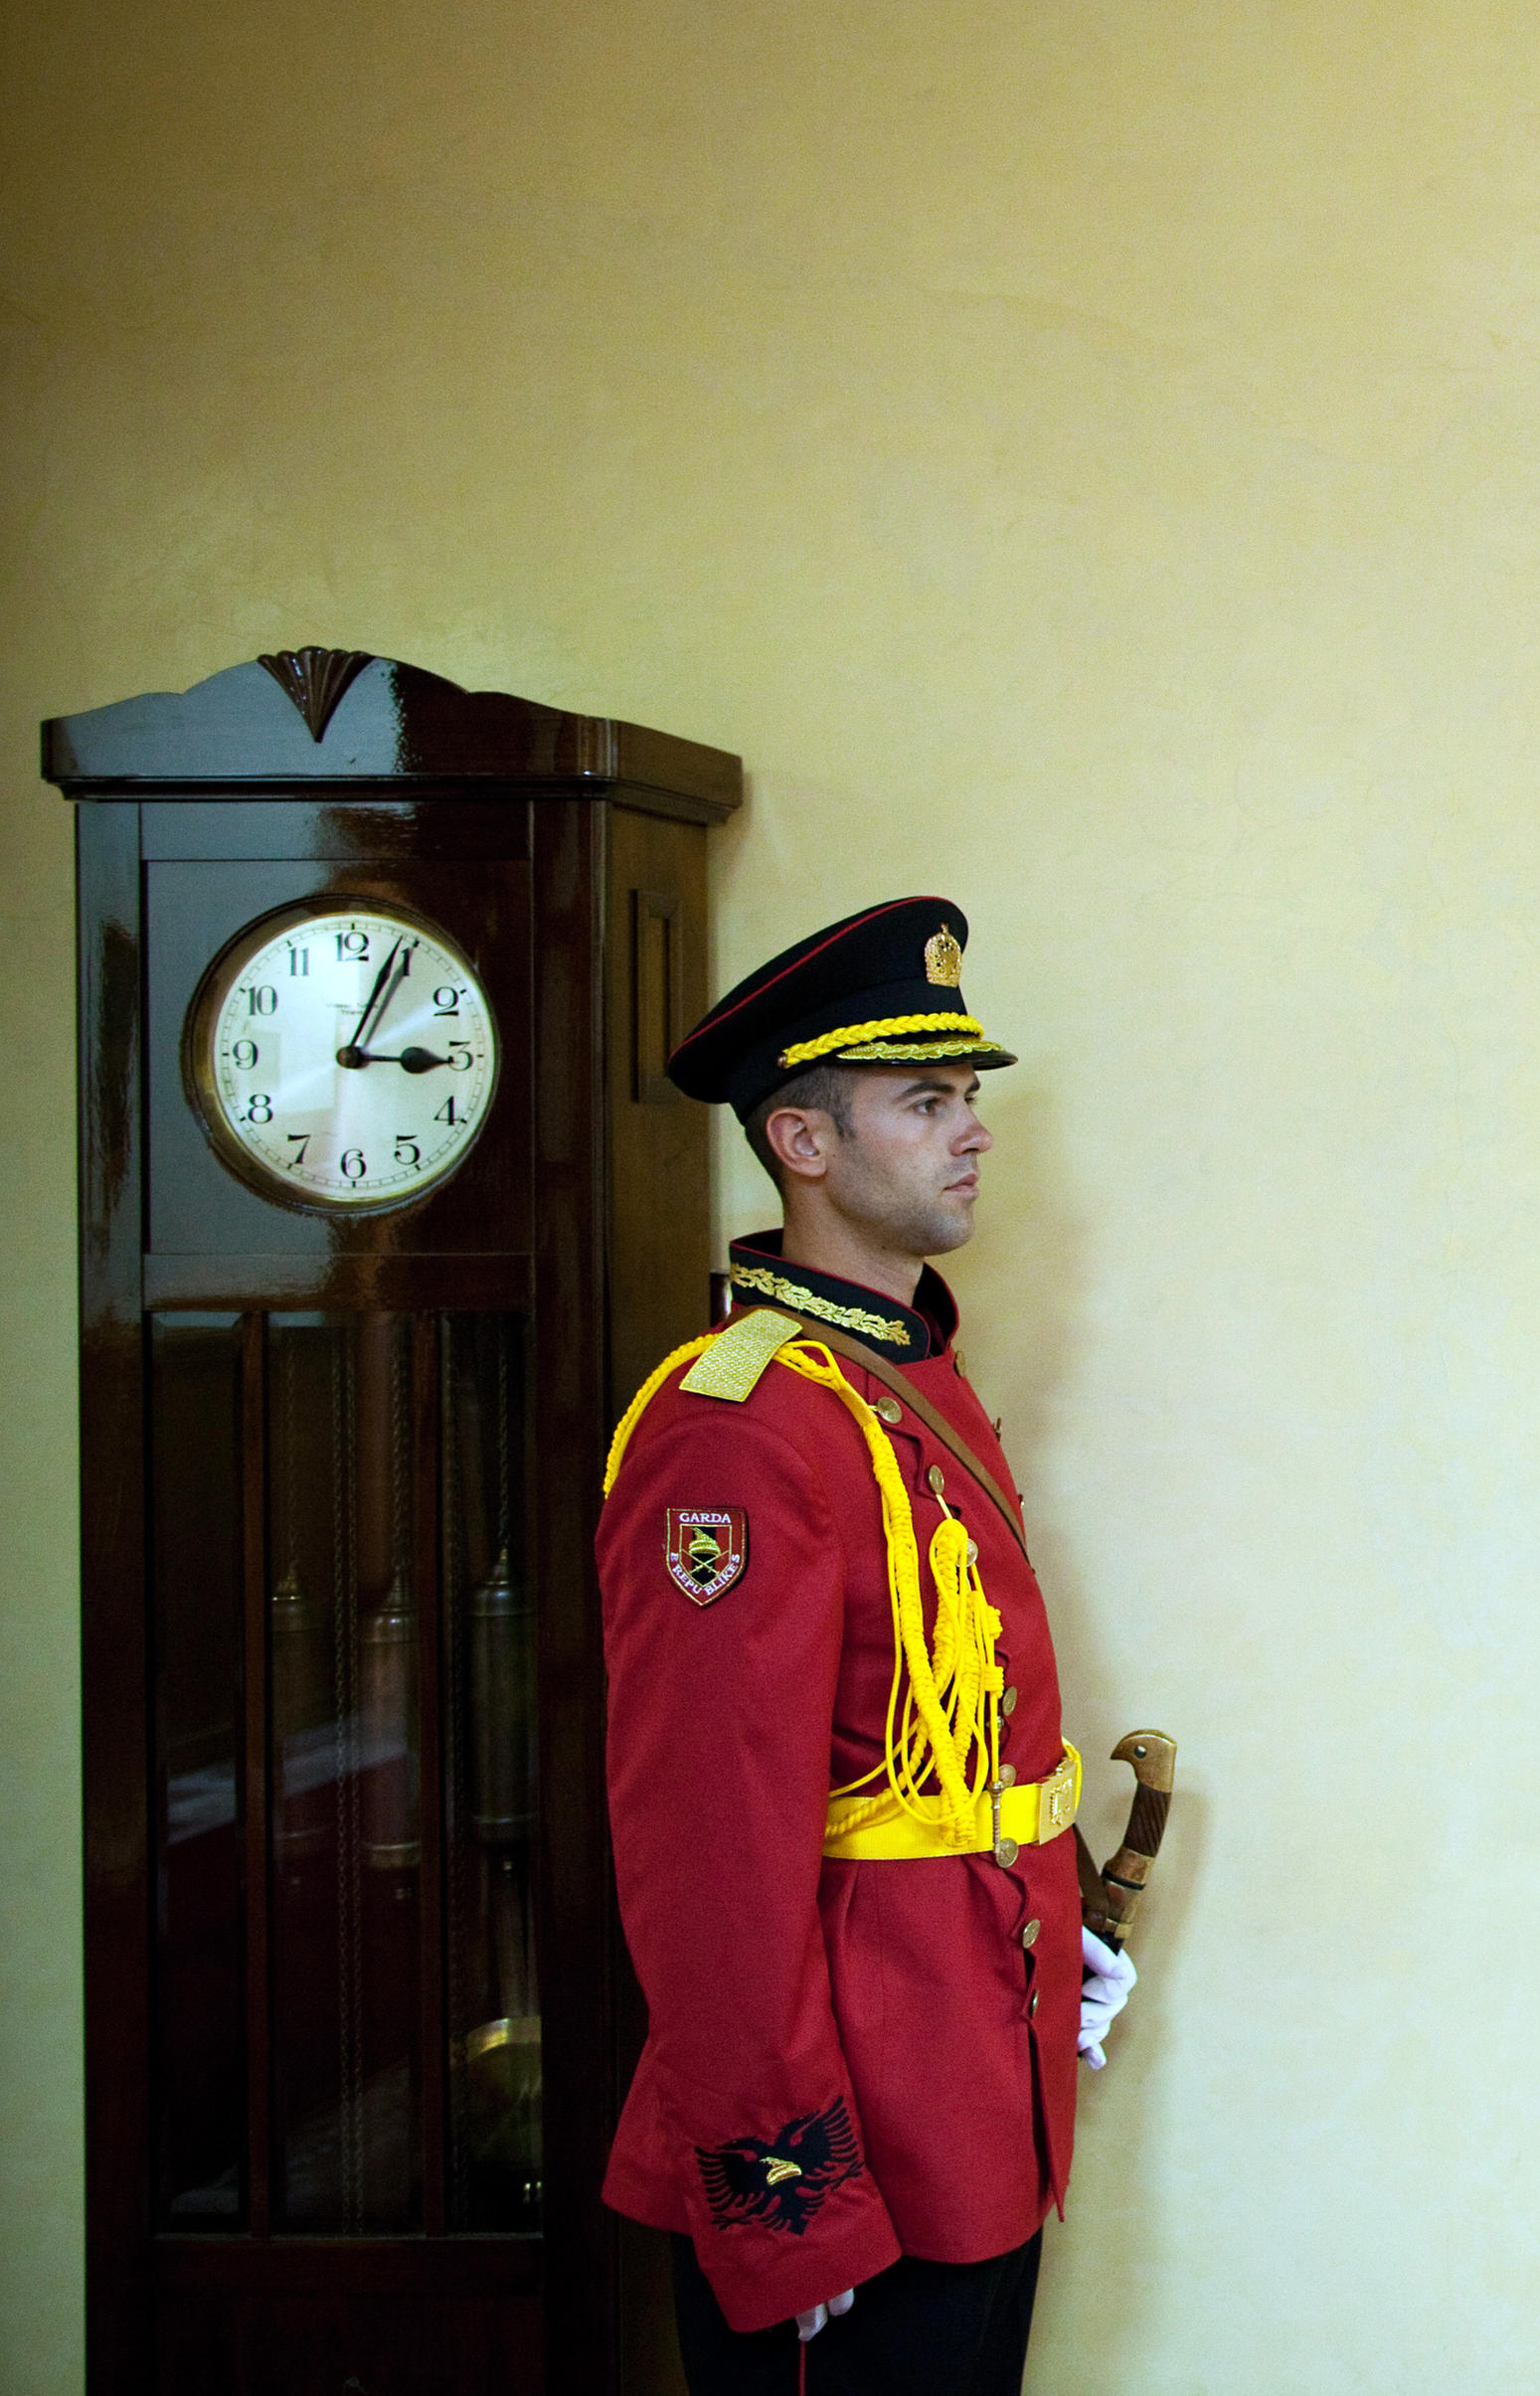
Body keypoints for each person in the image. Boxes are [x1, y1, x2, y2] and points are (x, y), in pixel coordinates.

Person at [597, 897, 1135, 2393]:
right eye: (923, 1101)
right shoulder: (741, 1427)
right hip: (854, 2152)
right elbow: (707, 1849)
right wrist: (787, 2198)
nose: (971, 1132)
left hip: (975, 2075)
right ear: (803, 1142)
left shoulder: (902, 1372)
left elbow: (949, 1746)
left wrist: (1050, 1925)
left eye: (968, 1098)